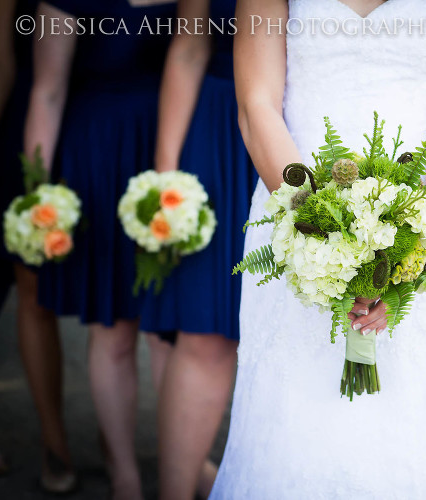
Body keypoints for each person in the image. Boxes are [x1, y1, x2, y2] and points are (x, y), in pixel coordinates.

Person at [209, 0, 426, 497]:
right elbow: (257, 104)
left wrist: (414, 247)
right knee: (295, 417)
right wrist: (318, 226)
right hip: (293, 205)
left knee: (415, 424)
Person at [24, 1, 175, 498]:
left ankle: (184, 458)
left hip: (171, 155)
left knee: (172, 329)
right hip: (98, 160)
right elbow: (46, 92)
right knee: (113, 328)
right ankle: (125, 472)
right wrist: (37, 194)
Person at [139, 0, 258, 498]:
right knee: (205, 332)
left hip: (320, 132)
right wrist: (167, 182)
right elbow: (189, 46)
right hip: (220, 137)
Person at [0, 0, 76, 492]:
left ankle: (72, 442)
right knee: (31, 285)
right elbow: (2, 58)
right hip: (28, 119)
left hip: (109, 119)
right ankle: (54, 440)